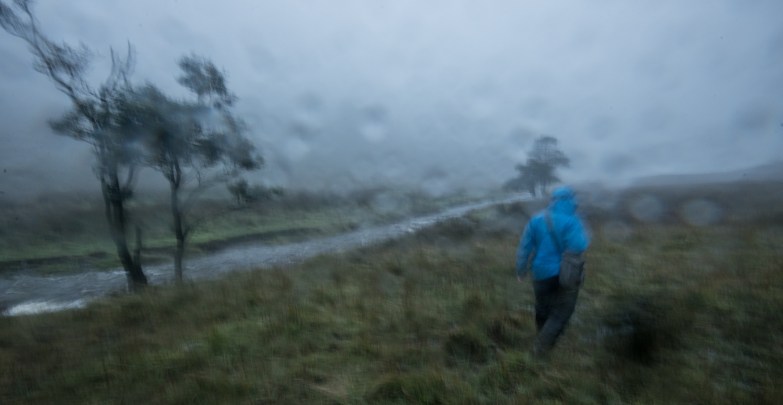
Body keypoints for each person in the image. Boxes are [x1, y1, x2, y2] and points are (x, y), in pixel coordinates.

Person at [515, 186, 590, 356]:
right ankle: (541, 348)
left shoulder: (536, 219)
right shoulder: (573, 220)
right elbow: (579, 245)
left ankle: (543, 339)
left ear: (553, 200)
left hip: (540, 273)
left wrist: (521, 270)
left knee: (542, 308)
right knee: (562, 312)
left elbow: (525, 248)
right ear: (571, 200)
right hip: (565, 273)